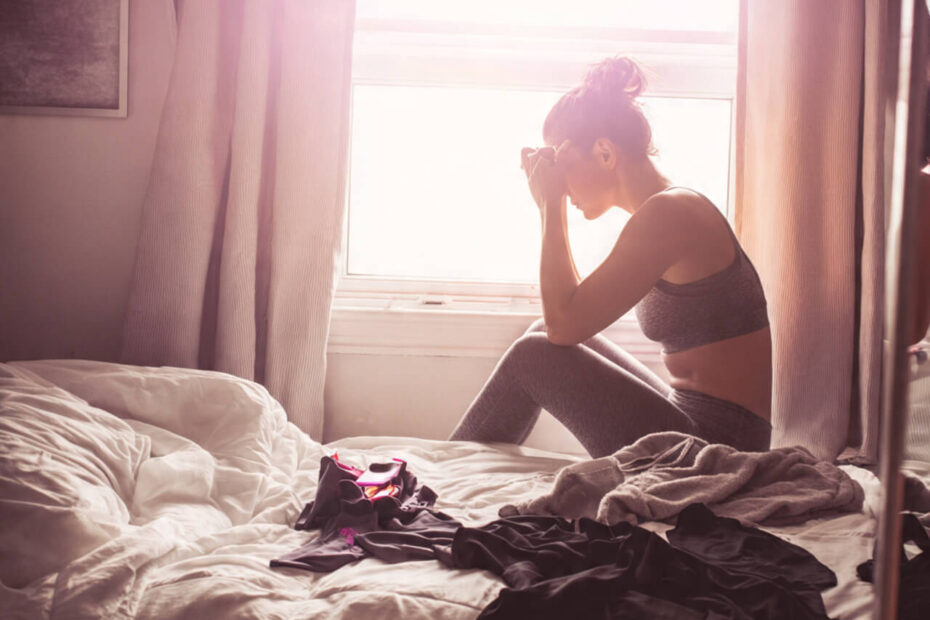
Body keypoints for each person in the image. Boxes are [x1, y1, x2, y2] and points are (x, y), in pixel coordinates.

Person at [448, 55, 773, 458]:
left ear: (604, 152)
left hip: (719, 448)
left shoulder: (670, 213)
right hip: (699, 425)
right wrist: (550, 202)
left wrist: (551, 207)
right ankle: (447, 470)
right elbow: (563, 323)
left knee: (533, 355)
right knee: (536, 335)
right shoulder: (662, 212)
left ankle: (437, 478)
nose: (560, 185)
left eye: (558, 161)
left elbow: (563, 327)